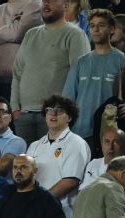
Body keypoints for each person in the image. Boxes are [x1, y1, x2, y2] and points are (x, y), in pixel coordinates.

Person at [10, 0, 88, 142]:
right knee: (24, 163)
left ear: (65, 5)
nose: (46, 3)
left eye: (51, 0)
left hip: (55, 116)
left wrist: (65, 113)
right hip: (24, 115)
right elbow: (17, 72)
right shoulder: (30, 34)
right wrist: (15, 108)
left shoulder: (75, 34)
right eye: (44, 0)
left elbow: (81, 78)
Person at [63, 10, 124, 141]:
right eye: (92, 25)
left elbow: (123, 98)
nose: (95, 29)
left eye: (101, 25)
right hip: (79, 131)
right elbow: (68, 99)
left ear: (112, 29)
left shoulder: (122, 59)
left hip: (108, 133)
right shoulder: (81, 61)